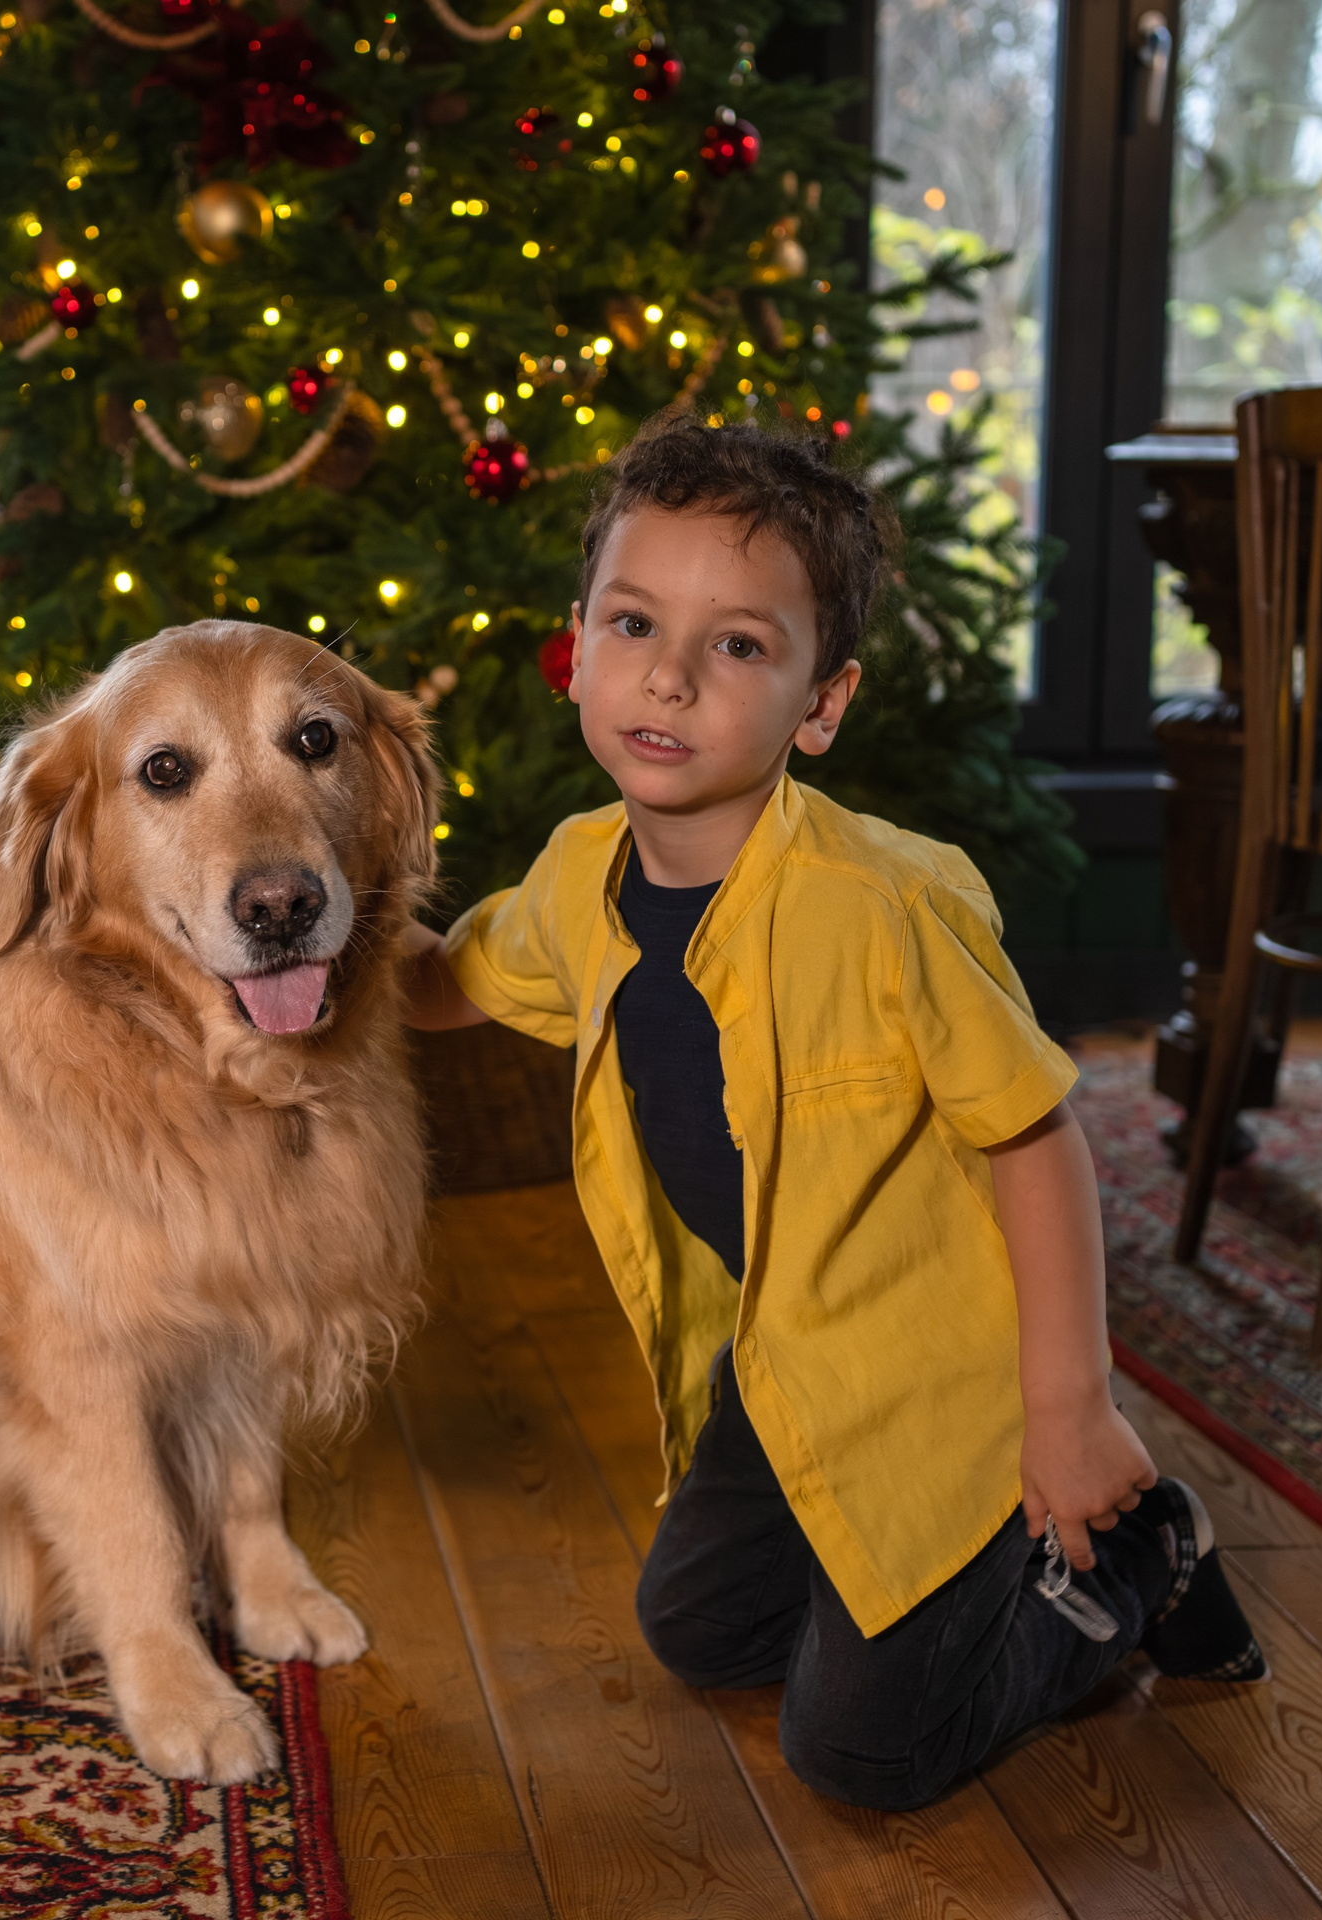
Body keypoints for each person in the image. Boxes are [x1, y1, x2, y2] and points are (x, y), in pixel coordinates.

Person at [398, 415, 1266, 1812]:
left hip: (946, 1379)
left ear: (821, 702)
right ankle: (904, 1579)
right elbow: (449, 986)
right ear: (579, 645)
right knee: (699, 1627)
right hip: (788, 1351)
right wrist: (301, 955)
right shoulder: (577, 874)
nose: (669, 674)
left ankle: (1125, 1559)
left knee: (859, 1753)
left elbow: (1037, 1140)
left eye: (738, 644)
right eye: (634, 623)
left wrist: (1067, 1404)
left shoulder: (884, 904)